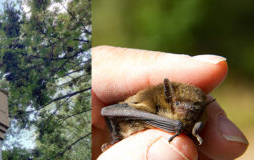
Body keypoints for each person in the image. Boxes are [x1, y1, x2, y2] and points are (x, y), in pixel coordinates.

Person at [92, 46, 248, 160]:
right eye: (180, 104)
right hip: (129, 122)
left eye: (194, 107)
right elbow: (109, 112)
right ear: (168, 98)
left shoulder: (198, 118)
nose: (187, 109)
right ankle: (116, 139)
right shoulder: (150, 102)